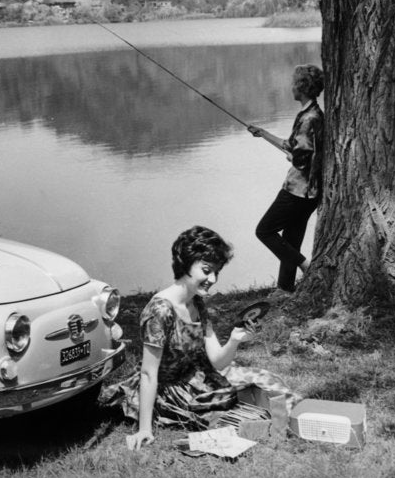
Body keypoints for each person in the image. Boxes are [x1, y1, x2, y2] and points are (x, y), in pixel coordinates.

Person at [100, 226, 284, 450]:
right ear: (186, 263)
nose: (213, 278)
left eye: (216, 272)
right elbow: (148, 373)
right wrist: (144, 429)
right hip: (167, 390)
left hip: (195, 378)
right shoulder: (160, 311)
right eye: (206, 270)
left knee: (264, 382)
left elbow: (218, 361)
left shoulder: (196, 302)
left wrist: (235, 339)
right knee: (233, 418)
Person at [247, 64, 325, 293]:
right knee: (291, 241)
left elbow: (301, 159)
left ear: (302, 87)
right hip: (311, 193)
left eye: (294, 83)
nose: (291, 87)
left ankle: (306, 265)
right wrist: (263, 134)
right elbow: (293, 146)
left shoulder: (308, 119)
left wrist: (293, 157)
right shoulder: (314, 114)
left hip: (297, 191)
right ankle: (285, 289)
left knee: (264, 231)